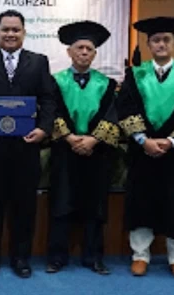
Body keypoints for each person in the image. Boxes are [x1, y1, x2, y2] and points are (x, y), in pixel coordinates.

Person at [0, 9, 56, 279]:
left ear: (24, 32)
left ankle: (21, 257)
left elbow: (49, 100)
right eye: (5, 29)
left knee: (24, 205)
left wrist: (43, 129)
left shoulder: (39, 62)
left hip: (26, 145)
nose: (10, 34)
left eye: (15, 30)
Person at [116, 17, 174, 279]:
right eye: (156, 40)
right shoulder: (135, 75)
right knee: (142, 201)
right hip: (143, 152)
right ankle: (140, 255)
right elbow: (125, 109)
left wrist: (172, 141)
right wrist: (144, 140)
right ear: (149, 44)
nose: (161, 44)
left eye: (166, 39)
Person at [46, 21, 120, 275]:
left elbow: (112, 116)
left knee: (96, 206)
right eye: (79, 48)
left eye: (89, 48)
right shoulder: (54, 82)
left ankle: (94, 257)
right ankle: (57, 257)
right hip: (64, 151)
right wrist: (68, 137)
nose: (84, 52)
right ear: (69, 52)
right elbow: (50, 112)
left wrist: (93, 140)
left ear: (95, 53)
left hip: (97, 152)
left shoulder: (108, 84)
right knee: (61, 203)